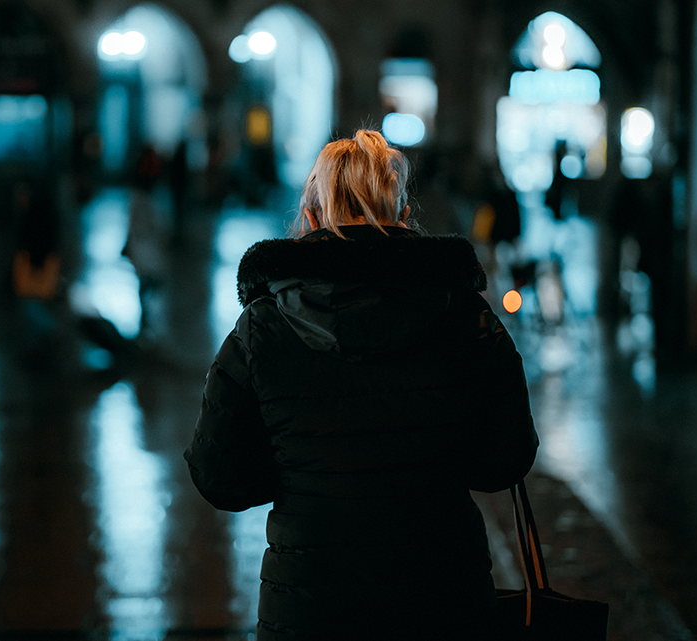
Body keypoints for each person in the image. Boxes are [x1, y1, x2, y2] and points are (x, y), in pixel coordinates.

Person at [184, 130, 539, 640]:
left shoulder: (262, 328)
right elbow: (507, 458)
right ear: (400, 215)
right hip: (443, 598)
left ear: (310, 218)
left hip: (310, 604)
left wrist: (301, 469)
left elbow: (219, 476)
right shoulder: (462, 314)